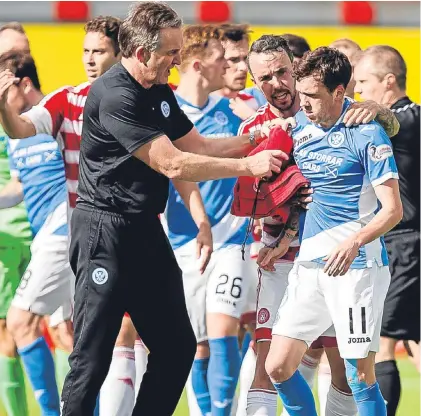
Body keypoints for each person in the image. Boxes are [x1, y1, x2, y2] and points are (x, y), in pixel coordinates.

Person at [19, 3, 284, 415]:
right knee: (92, 357)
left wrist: (259, 137)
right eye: (171, 53)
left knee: (177, 347)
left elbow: (195, 145)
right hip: (102, 233)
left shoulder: (157, 90)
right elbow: (172, 163)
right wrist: (247, 166)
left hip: (144, 230)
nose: (179, 61)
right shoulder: (115, 94)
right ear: (142, 53)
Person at [0, 16, 146, 415]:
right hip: (71, 234)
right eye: (85, 51)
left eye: (98, 51)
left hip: (79, 232)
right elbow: (19, 142)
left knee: (25, 323)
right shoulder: (63, 104)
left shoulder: (142, 101)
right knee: (76, 334)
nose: (89, 59)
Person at [264, 46, 403, 416]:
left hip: (358, 267)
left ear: (340, 92)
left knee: (359, 377)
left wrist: (355, 240)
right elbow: (303, 197)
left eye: (312, 95)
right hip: (310, 266)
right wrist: (288, 235)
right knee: (276, 366)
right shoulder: (301, 132)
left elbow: (393, 210)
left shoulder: (367, 133)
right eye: (301, 93)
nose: (303, 103)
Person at [240, 35, 360, 416]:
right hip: (278, 263)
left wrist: (379, 110)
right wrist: (273, 209)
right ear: (255, 84)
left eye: (282, 72)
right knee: (268, 364)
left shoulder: (342, 112)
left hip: (332, 259)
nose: (276, 83)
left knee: (342, 368)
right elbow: (250, 201)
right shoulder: (253, 129)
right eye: (265, 79)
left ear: (297, 67)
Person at [165, 24, 257, 416]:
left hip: (233, 238)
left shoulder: (236, 112)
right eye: (224, 58)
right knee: (195, 343)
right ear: (201, 65)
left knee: (223, 330)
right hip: (182, 242)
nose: (233, 66)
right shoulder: (163, 112)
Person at [0, 51, 70, 415]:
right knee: (69, 334)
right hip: (47, 234)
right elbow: (18, 187)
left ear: (23, 84)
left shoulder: (57, 115)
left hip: (65, 230)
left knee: (19, 321)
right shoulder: (14, 132)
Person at [354, 45, 420, 415]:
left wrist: (371, 111)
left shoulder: (407, 118)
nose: (359, 91)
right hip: (402, 244)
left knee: (382, 339)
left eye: (364, 82)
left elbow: (388, 119)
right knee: (412, 339)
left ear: (389, 81)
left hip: (406, 244)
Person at [0, 22, 32, 416]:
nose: (15, 66)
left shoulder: (37, 108)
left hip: (47, 234)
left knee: (64, 331)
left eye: (22, 57)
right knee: (7, 332)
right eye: (8, 58)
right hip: (6, 238)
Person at [216, 23, 259, 121]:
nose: (244, 67)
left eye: (246, 58)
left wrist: (254, 120)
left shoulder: (253, 103)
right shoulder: (195, 106)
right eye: (234, 60)